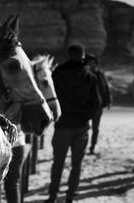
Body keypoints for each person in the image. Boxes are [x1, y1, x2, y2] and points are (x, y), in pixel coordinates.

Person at [45, 44, 101, 203]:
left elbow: (49, 98)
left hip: (62, 125)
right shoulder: (90, 77)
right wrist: (85, 117)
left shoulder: (57, 74)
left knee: (58, 163)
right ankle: (70, 196)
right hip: (81, 126)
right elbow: (96, 104)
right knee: (77, 165)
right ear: (83, 57)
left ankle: (52, 196)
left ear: (69, 55)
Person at [85, 53, 112, 155]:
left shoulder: (100, 74)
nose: (92, 65)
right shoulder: (84, 75)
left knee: (95, 128)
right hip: (86, 106)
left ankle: (92, 147)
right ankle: (83, 146)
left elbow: (106, 87)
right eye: (90, 63)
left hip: (98, 106)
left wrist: (109, 100)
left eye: (93, 63)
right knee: (86, 127)